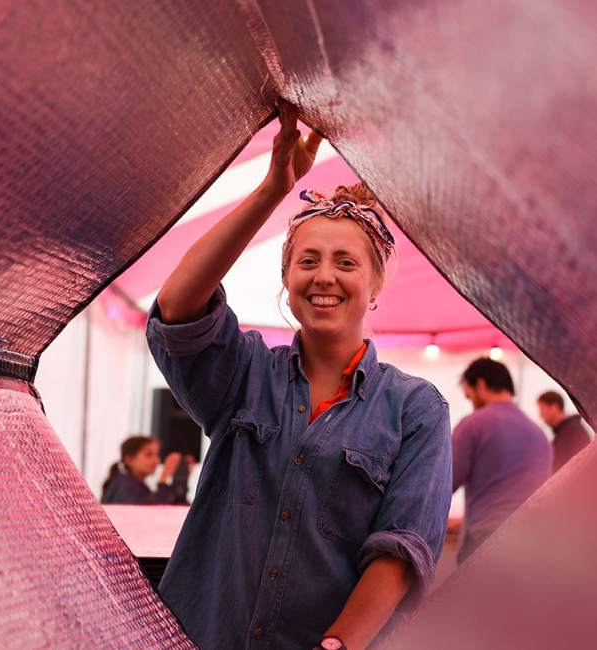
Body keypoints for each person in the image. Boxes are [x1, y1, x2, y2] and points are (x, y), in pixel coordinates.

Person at [146, 102, 452, 650]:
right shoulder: (245, 373)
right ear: (287, 279)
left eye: (346, 262)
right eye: (307, 261)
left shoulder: (416, 409)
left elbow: (400, 551)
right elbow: (176, 309)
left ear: (376, 285)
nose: (324, 276)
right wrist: (272, 191)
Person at [452, 358, 552, 565]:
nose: (472, 404)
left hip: (485, 542)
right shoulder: (539, 434)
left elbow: (443, 483)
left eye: (469, 396)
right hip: (533, 544)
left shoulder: (473, 425)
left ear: (480, 385)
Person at [101, 435, 192, 505]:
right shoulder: (126, 484)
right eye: (149, 455)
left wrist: (181, 482)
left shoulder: (131, 483)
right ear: (129, 460)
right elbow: (152, 512)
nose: (157, 460)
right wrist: (165, 478)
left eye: (157, 454)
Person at [538, 391, 591, 473]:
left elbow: (583, 467)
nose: (541, 415)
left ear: (554, 407)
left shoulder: (575, 432)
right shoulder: (561, 433)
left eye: (542, 410)